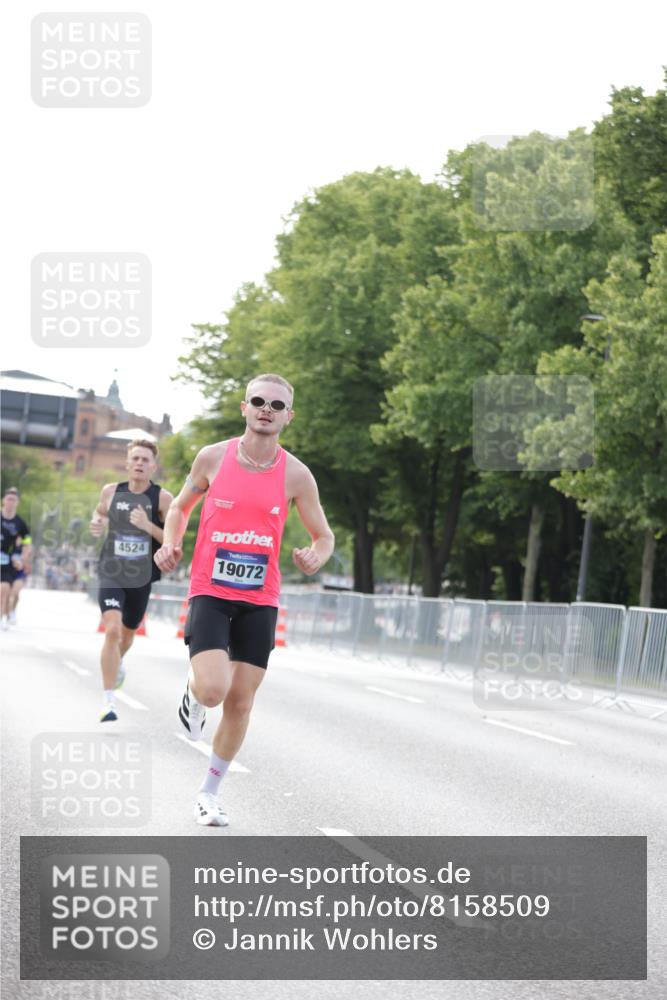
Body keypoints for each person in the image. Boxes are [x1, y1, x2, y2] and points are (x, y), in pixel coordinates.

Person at [154, 374, 335, 826]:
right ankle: (193, 697)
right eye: (258, 401)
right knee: (214, 690)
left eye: (277, 405)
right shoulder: (213, 457)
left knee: (240, 703)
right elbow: (179, 507)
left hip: (261, 597)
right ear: (244, 407)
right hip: (211, 590)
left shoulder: (296, 474)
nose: (266, 409)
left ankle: (209, 794)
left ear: (288, 416)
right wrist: (171, 543)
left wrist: (317, 554)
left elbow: (324, 534)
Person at [90, 439, 173, 722]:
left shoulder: (163, 499)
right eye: (135, 458)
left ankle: (119, 660)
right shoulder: (111, 492)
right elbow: (99, 512)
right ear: (127, 463)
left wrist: (147, 525)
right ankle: (107, 701)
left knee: (126, 636)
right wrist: (97, 522)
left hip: (141, 577)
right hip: (111, 570)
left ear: (153, 466)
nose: (139, 464)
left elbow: (173, 541)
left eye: (145, 460)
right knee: (111, 630)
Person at [1, 488, 31, 630]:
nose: (10, 502)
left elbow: (27, 544)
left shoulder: (20, 524)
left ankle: (5, 616)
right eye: (8, 499)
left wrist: (22, 558)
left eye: (14, 500)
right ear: (3, 501)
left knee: (6, 590)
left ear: (17, 503)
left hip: (8, 562)